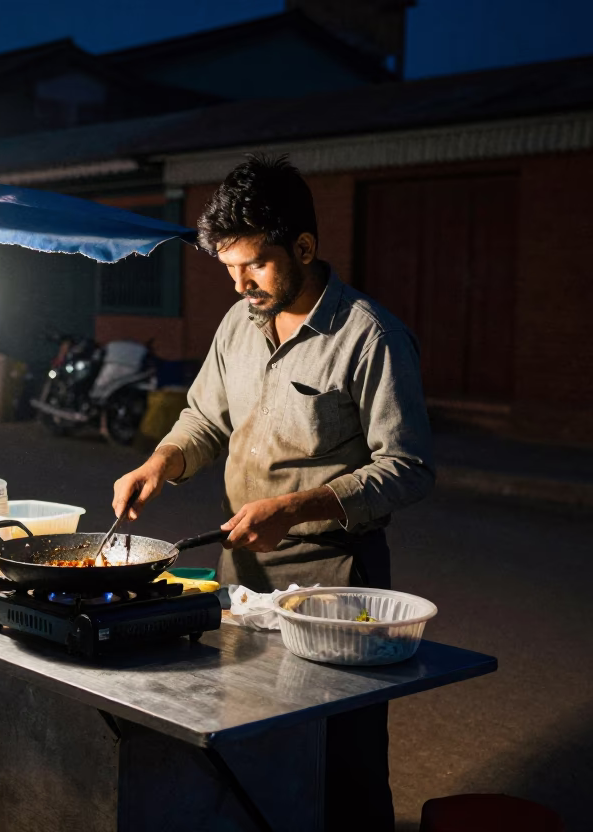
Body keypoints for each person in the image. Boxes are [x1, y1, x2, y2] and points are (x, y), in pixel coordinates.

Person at [111, 155, 433, 831]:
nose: (240, 285)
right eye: (229, 270)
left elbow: (407, 466)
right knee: (254, 744)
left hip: (336, 582)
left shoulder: (369, 337)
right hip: (246, 573)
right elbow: (204, 418)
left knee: (341, 761)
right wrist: (159, 463)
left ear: (305, 248)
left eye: (253, 265)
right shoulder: (238, 325)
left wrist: (294, 508)